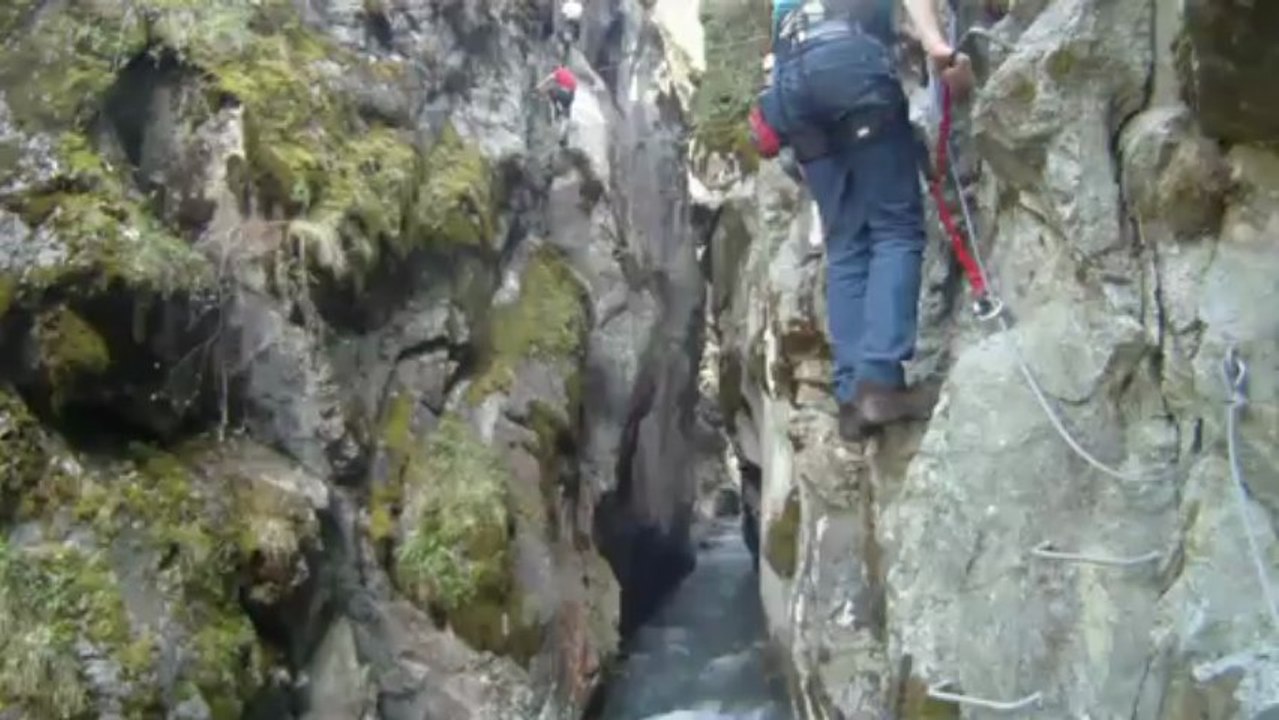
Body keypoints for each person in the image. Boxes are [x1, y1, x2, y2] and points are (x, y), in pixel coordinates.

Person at [758, 0, 974, 441]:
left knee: (845, 244)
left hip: (790, 82)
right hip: (848, 63)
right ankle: (878, 380)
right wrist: (937, 46)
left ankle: (850, 396)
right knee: (895, 229)